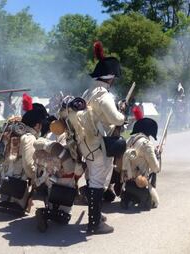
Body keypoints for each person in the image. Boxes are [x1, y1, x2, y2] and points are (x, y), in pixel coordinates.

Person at [77, 41, 126, 235]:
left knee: (93, 180)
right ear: (110, 79)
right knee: (98, 183)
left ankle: (95, 215)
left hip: (86, 144)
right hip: (98, 145)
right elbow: (116, 118)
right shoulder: (104, 96)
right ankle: (94, 223)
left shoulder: (89, 93)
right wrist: (122, 115)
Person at [0, 109, 45, 218]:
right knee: (20, 210)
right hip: (17, 181)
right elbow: (28, 165)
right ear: (38, 125)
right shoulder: (29, 137)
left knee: (14, 203)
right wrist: (36, 179)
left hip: (5, 177)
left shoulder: (13, 134)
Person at [121, 118, 160, 210]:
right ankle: (142, 196)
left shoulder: (130, 140)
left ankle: (130, 196)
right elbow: (155, 168)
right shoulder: (147, 144)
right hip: (140, 182)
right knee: (155, 203)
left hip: (128, 181)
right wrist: (157, 155)